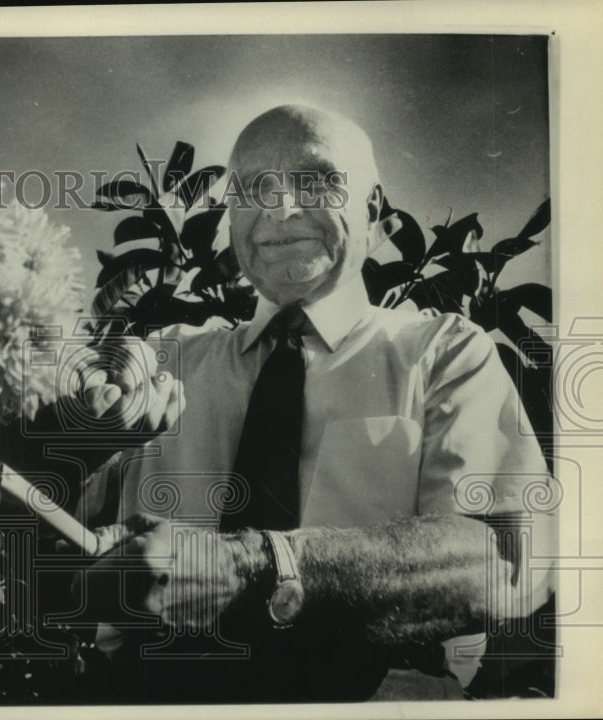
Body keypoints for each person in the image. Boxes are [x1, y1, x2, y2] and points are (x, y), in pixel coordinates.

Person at [70, 104, 557, 703]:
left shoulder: (443, 353)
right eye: (252, 188)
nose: (278, 207)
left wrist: (258, 566)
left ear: (375, 214)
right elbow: (30, 510)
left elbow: (503, 562)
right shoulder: (162, 360)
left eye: (316, 180)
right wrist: (74, 434)